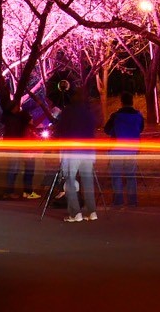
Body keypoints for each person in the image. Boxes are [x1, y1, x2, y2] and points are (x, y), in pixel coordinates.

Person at [52, 86, 101, 222]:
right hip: (88, 151)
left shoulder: (67, 112)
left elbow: (59, 131)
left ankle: (75, 213)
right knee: (88, 181)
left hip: (72, 151)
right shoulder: (88, 113)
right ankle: (92, 212)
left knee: (70, 181)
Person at [103, 91, 145, 207]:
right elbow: (140, 129)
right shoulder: (138, 116)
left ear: (121, 103)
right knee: (131, 176)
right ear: (132, 101)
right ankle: (132, 201)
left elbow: (106, 130)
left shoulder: (116, 116)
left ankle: (118, 201)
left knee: (116, 175)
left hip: (117, 149)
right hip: (132, 149)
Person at [0, 102, 39, 199]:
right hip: (15, 146)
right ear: (13, 108)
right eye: (17, 107)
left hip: (13, 146)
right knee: (14, 169)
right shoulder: (15, 119)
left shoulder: (9, 118)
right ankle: (10, 192)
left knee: (14, 169)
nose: (19, 108)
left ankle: (11, 191)